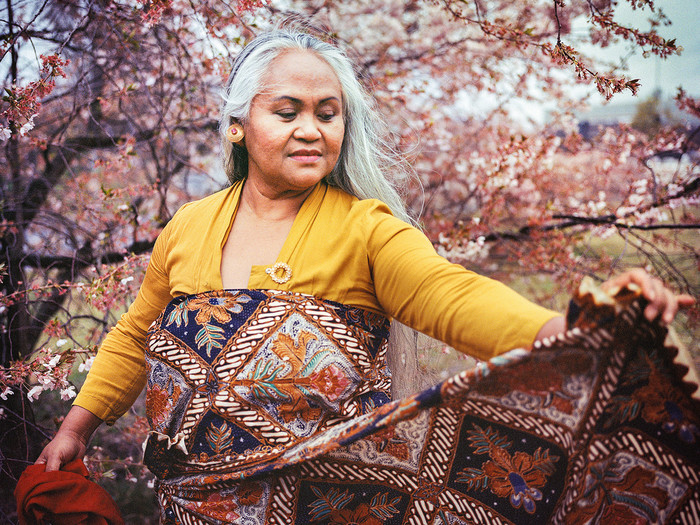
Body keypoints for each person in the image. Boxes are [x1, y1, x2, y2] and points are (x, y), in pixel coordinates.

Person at [35, 29, 694, 522]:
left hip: (330, 504)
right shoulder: (188, 226)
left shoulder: (365, 226)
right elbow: (134, 335)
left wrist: (571, 327)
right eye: (286, 110)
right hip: (195, 502)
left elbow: (449, 295)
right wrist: (78, 426)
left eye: (328, 113)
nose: (311, 129)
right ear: (238, 126)